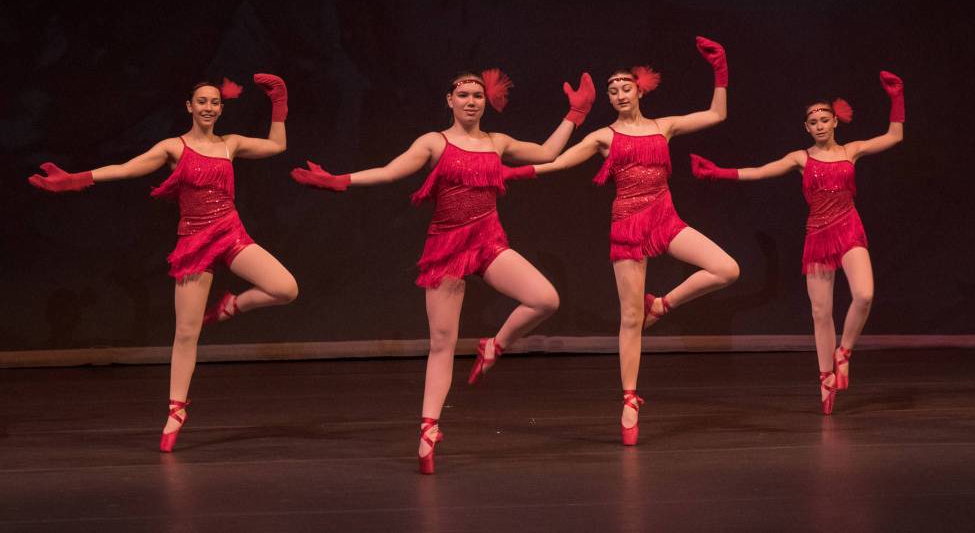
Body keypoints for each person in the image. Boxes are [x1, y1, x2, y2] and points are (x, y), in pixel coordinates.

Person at [290, 68, 595, 473]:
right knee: (442, 343)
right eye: (463, 94)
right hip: (447, 247)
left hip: (488, 242)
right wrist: (340, 181)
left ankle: (495, 345)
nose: (471, 101)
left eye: (477, 95)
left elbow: (546, 153)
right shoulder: (434, 142)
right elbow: (391, 170)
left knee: (544, 298)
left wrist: (574, 114)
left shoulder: (497, 142)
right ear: (449, 100)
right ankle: (429, 430)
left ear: (486, 102)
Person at [28, 74, 298, 451]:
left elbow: (277, 144)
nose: (208, 107)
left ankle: (232, 305)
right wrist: (77, 179)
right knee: (186, 333)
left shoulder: (230, 144)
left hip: (231, 233)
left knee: (286, 288)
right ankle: (176, 411)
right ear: (190, 107)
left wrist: (279, 103)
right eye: (202, 101)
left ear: (221, 109)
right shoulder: (174, 147)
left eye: (215, 102)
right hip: (194, 243)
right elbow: (126, 168)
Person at [504, 37, 739, 445]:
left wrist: (720, 70)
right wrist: (512, 174)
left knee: (726, 269)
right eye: (611, 91)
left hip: (665, 217)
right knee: (630, 318)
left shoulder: (664, 126)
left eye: (624, 87)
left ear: (639, 88)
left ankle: (662, 304)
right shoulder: (603, 137)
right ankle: (629, 399)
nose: (618, 94)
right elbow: (556, 162)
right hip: (628, 223)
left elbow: (717, 114)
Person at [690, 71, 905, 414]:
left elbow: (895, 136)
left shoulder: (852, 151)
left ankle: (844, 353)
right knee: (821, 313)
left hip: (849, 227)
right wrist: (720, 172)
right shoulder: (800, 159)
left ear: (835, 121)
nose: (819, 125)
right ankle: (824, 378)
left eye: (824, 119)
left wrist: (896, 98)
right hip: (818, 234)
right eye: (812, 122)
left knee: (864, 294)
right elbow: (760, 171)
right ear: (806, 128)